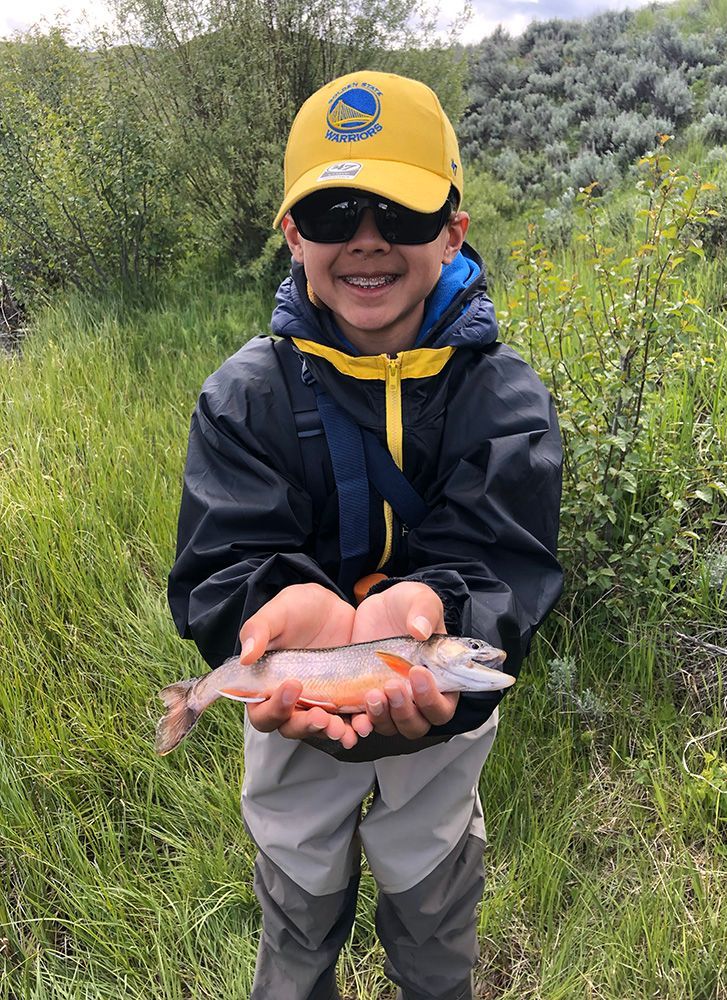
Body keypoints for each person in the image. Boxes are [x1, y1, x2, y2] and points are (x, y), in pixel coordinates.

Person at [168, 70, 563, 1000]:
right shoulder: (243, 398)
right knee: (297, 905)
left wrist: (441, 609)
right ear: (293, 234)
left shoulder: (505, 400)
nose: (369, 238)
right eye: (335, 211)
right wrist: (271, 611)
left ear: (453, 231)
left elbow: (504, 567)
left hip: (437, 713)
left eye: (403, 213)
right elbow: (221, 566)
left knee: (434, 901)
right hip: (290, 703)